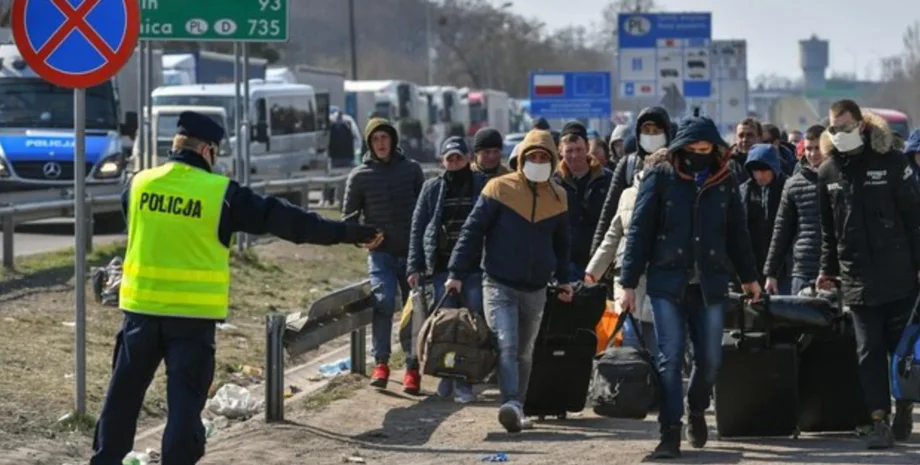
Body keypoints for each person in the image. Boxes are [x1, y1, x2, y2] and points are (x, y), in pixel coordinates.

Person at [89, 112, 380, 465]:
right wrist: (347, 233)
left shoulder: (138, 184)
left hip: (139, 314)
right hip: (191, 320)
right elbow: (289, 222)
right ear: (207, 151)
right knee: (183, 407)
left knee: (121, 401)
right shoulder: (221, 194)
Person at [619, 116, 761, 459]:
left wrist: (749, 277)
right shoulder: (660, 176)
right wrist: (627, 283)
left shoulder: (724, 179)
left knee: (710, 359)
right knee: (669, 359)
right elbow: (639, 231)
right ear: (681, 148)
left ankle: (696, 407)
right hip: (667, 281)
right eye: (693, 149)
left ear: (715, 148)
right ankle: (670, 433)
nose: (699, 154)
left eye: (705, 149)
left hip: (710, 282)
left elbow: (737, 233)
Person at [446, 128, 573, 433]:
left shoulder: (559, 197)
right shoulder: (498, 188)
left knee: (525, 351)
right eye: (533, 156)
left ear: (553, 161)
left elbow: (562, 244)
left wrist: (565, 279)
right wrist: (456, 273)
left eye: (544, 157)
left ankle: (519, 407)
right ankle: (511, 403)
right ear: (522, 158)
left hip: (536, 288)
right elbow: (472, 231)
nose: (538, 162)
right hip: (498, 283)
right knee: (507, 344)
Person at [816, 100, 920, 449]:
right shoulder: (828, 172)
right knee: (868, 351)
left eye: (846, 127)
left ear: (861, 126)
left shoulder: (891, 162)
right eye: (834, 128)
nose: (839, 134)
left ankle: (903, 404)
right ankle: (879, 421)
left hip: (898, 275)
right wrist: (827, 270)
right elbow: (828, 231)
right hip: (856, 278)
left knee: (899, 350)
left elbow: (914, 218)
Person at [343, 117, 426, 393]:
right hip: (381, 255)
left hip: (412, 254)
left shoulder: (412, 170)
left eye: (385, 138)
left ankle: (412, 367)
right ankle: (381, 363)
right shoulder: (359, 176)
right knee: (383, 302)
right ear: (369, 143)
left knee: (414, 310)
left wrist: (424, 247)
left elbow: (425, 210)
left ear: (393, 140)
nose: (380, 144)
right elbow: (349, 220)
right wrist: (364, 237)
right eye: (375, 139)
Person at [407, 136, 486, 403]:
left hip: (475, 269)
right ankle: (446, 373)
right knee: (444, 326)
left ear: (468, 158)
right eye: (449, 158)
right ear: (443, 161)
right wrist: (415, 265)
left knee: (470, 326)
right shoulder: (431, 188)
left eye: (459, 158)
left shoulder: (482, 184)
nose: (454, 163)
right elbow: (418, 227)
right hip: (441, 268)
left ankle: (465, 380)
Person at [585, 153, 668, 355]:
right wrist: (593, 271)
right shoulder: (628, 195)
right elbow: (613, 235)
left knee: (658, 346)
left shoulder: (673, 197)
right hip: (626, 279)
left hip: (659, 278)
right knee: (630, 346)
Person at [591, 107, 673, 257]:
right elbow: (609, 212)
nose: (651, 136)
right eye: (646, 131)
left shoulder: (678, 165)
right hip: (630, 252)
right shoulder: (628, 164)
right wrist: (596, 253)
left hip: (667, 255)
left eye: (656, 131)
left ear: (666, 133)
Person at [765, 124, 826, 295]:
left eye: (818, 148)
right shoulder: (793, 184)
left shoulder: (840, 180)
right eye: (809, 149)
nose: (813, 154)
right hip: (803, 269)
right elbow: (781, 230)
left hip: (835, 269)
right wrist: (771, 273)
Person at [553, 121, 613, 280]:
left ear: (587, 147)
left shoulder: (607, 179)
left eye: (579, 149)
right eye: (569, 150)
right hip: (565, 264)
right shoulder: (552, 183)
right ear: (560, 151)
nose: (574, 156)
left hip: (600, 263)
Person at [739, 143, 789, 293]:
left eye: (764, 170)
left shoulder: (788, 188)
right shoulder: (744, 191)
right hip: (753, 265)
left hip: (784, 265)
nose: (759, 175)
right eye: (755, 170)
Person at [728, 118, 763, 184]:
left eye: (749, 135)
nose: (744, 140)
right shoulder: (727, 165)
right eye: (741, 136)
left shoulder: (771, 163)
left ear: (760, 138)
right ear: (736, 138)